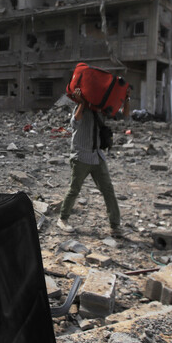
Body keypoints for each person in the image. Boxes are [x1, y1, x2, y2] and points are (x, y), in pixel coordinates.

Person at [57, 88, 123, 235]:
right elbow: (75, 122)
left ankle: (115, 225)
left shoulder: (100, 111)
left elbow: (123, 115)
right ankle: (62, 219)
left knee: (108, 190)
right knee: (74, 189)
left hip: (97, 156)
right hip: (81, 156)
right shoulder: (80, 109)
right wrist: (82, 103)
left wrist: (126, 98)